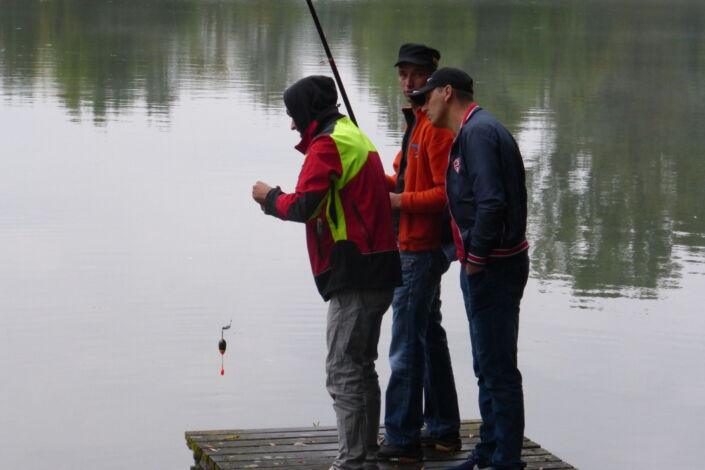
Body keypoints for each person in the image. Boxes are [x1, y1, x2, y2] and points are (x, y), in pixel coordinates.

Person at [251, 75, 401, 470]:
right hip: (381, 266)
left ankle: (352, 461)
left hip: (354, 271)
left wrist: (270, 198)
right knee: (361, 366)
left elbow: (305, 207)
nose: (291, 124)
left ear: (307, 112)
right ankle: (366, 455)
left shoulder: (326, 145)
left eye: (292, 115)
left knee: (341, 370)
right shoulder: (354, 135)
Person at [410, 68, 530, 470]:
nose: (422, 105)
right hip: (492, 265)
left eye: (428, 96)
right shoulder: (477, 130)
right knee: (487, 366)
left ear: (448, 92)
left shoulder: (477, 133)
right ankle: (489, 453)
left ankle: (505, 461)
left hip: (493, 267)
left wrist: (475, 260)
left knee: (497, 370)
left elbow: (491, 203)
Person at [377, 44, 461, 464]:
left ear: (433, 78)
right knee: (429, 335)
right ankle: (444, 430)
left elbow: (448, 194)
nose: (408, 82)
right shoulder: (416, 122)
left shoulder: (437, 128)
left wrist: (398, 201)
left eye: (416, 75)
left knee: (405, 345)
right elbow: (405, 176)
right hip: (412, 245)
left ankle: (402, 438)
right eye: (403, 74)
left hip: (420, 248)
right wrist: (378, 178)